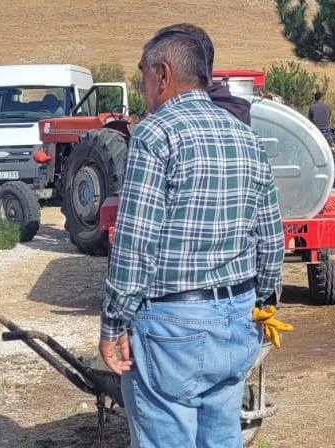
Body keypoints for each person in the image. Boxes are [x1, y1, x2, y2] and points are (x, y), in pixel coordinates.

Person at [99, 25, 284, 448]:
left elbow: (135, 244)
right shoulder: (247, 136)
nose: (141, 84)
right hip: (236, 318)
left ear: (162, 74)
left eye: (142, 73)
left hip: (172, 327)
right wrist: (265, 305)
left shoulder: (155, 134)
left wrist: (113, 324)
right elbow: (270, 236)